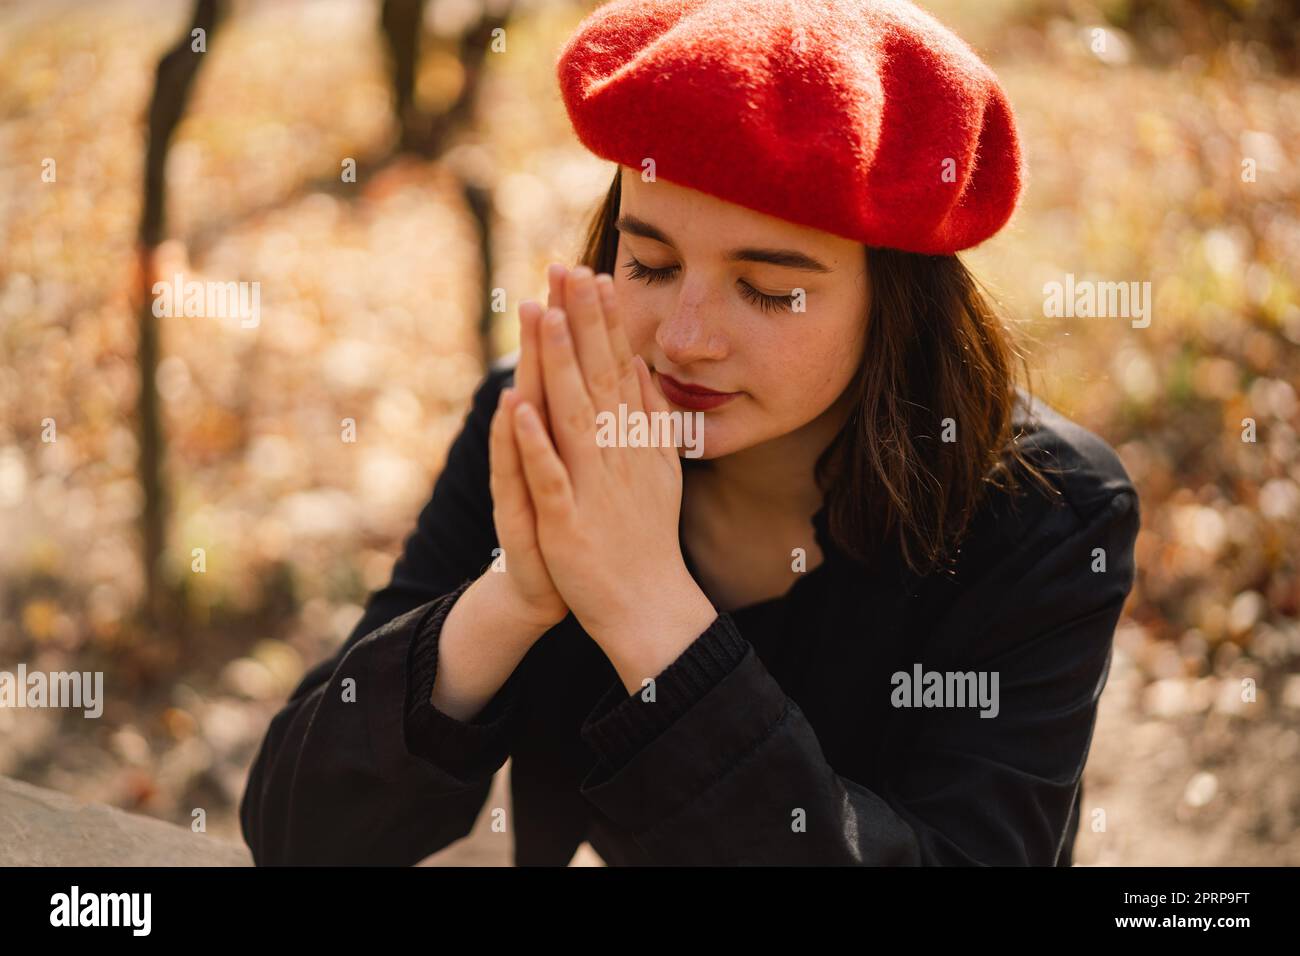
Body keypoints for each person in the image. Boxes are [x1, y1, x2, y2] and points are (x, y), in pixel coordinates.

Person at [240, 0, 1140, 866]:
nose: (684, 338)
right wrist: (510, 600)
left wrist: (647, 611)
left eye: (770, 288)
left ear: (897, 303)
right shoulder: (544, 428)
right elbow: (298, 836)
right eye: (652, 263)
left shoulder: (1046, 517)